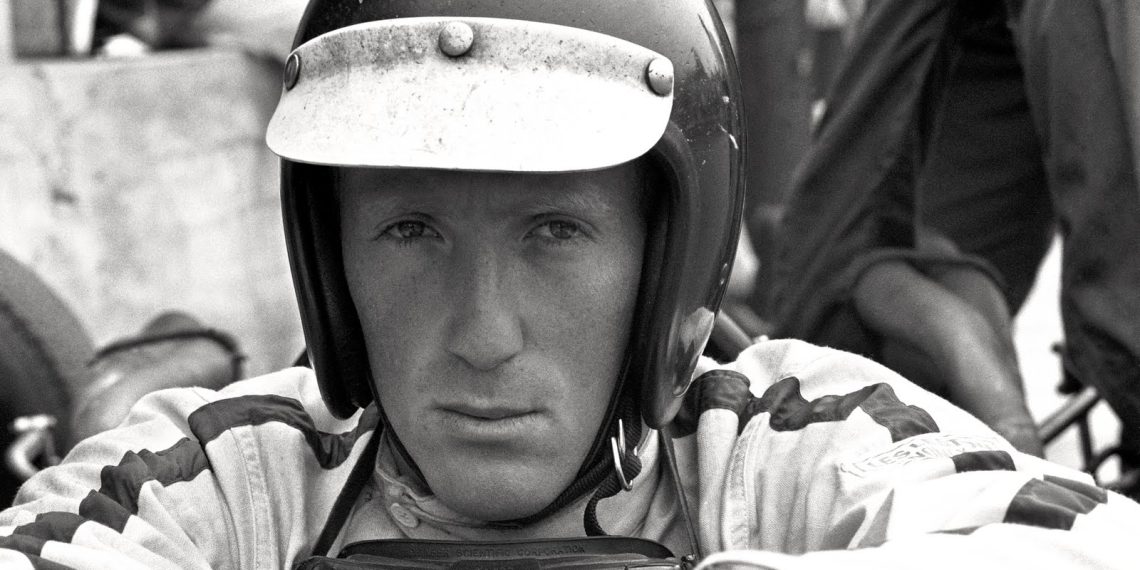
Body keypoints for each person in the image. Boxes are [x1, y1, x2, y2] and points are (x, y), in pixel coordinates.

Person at [1, 1, 1137, 568]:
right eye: (410, 230)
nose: (483, 334)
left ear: (668, 258)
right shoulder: (231, 473)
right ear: (329, 257)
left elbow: (1079, 543)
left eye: (555, 231)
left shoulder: (780, 442)